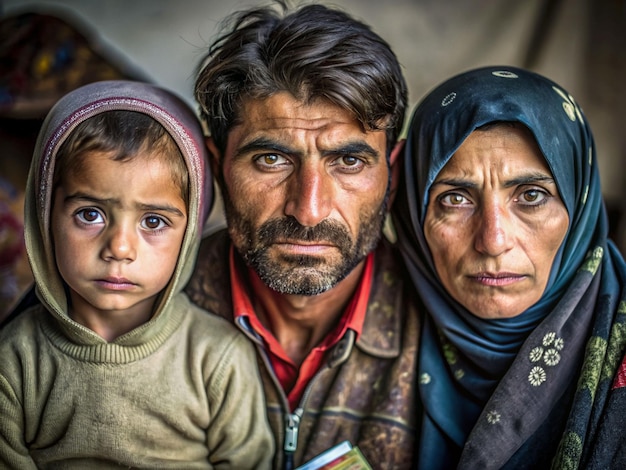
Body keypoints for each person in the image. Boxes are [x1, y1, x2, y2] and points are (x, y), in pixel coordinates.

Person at [185, 2, 418, 469]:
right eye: (272, 160)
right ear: (215, 169)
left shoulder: (445, 334)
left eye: (348, 161)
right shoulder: (135, 309)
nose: (308, 211)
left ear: (391, 177)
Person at [0, 80, 274, 468]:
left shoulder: (217, 359)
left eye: (153, 220)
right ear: (45, 217)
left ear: (190, 233)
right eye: (90, 214)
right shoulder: (14, 361)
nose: (120, 248)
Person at [391, 65, 626, 469]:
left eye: (531, 195)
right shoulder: (363, 332)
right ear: (414, 213)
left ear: (580, 204)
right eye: (455, 199)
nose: (493, 240)